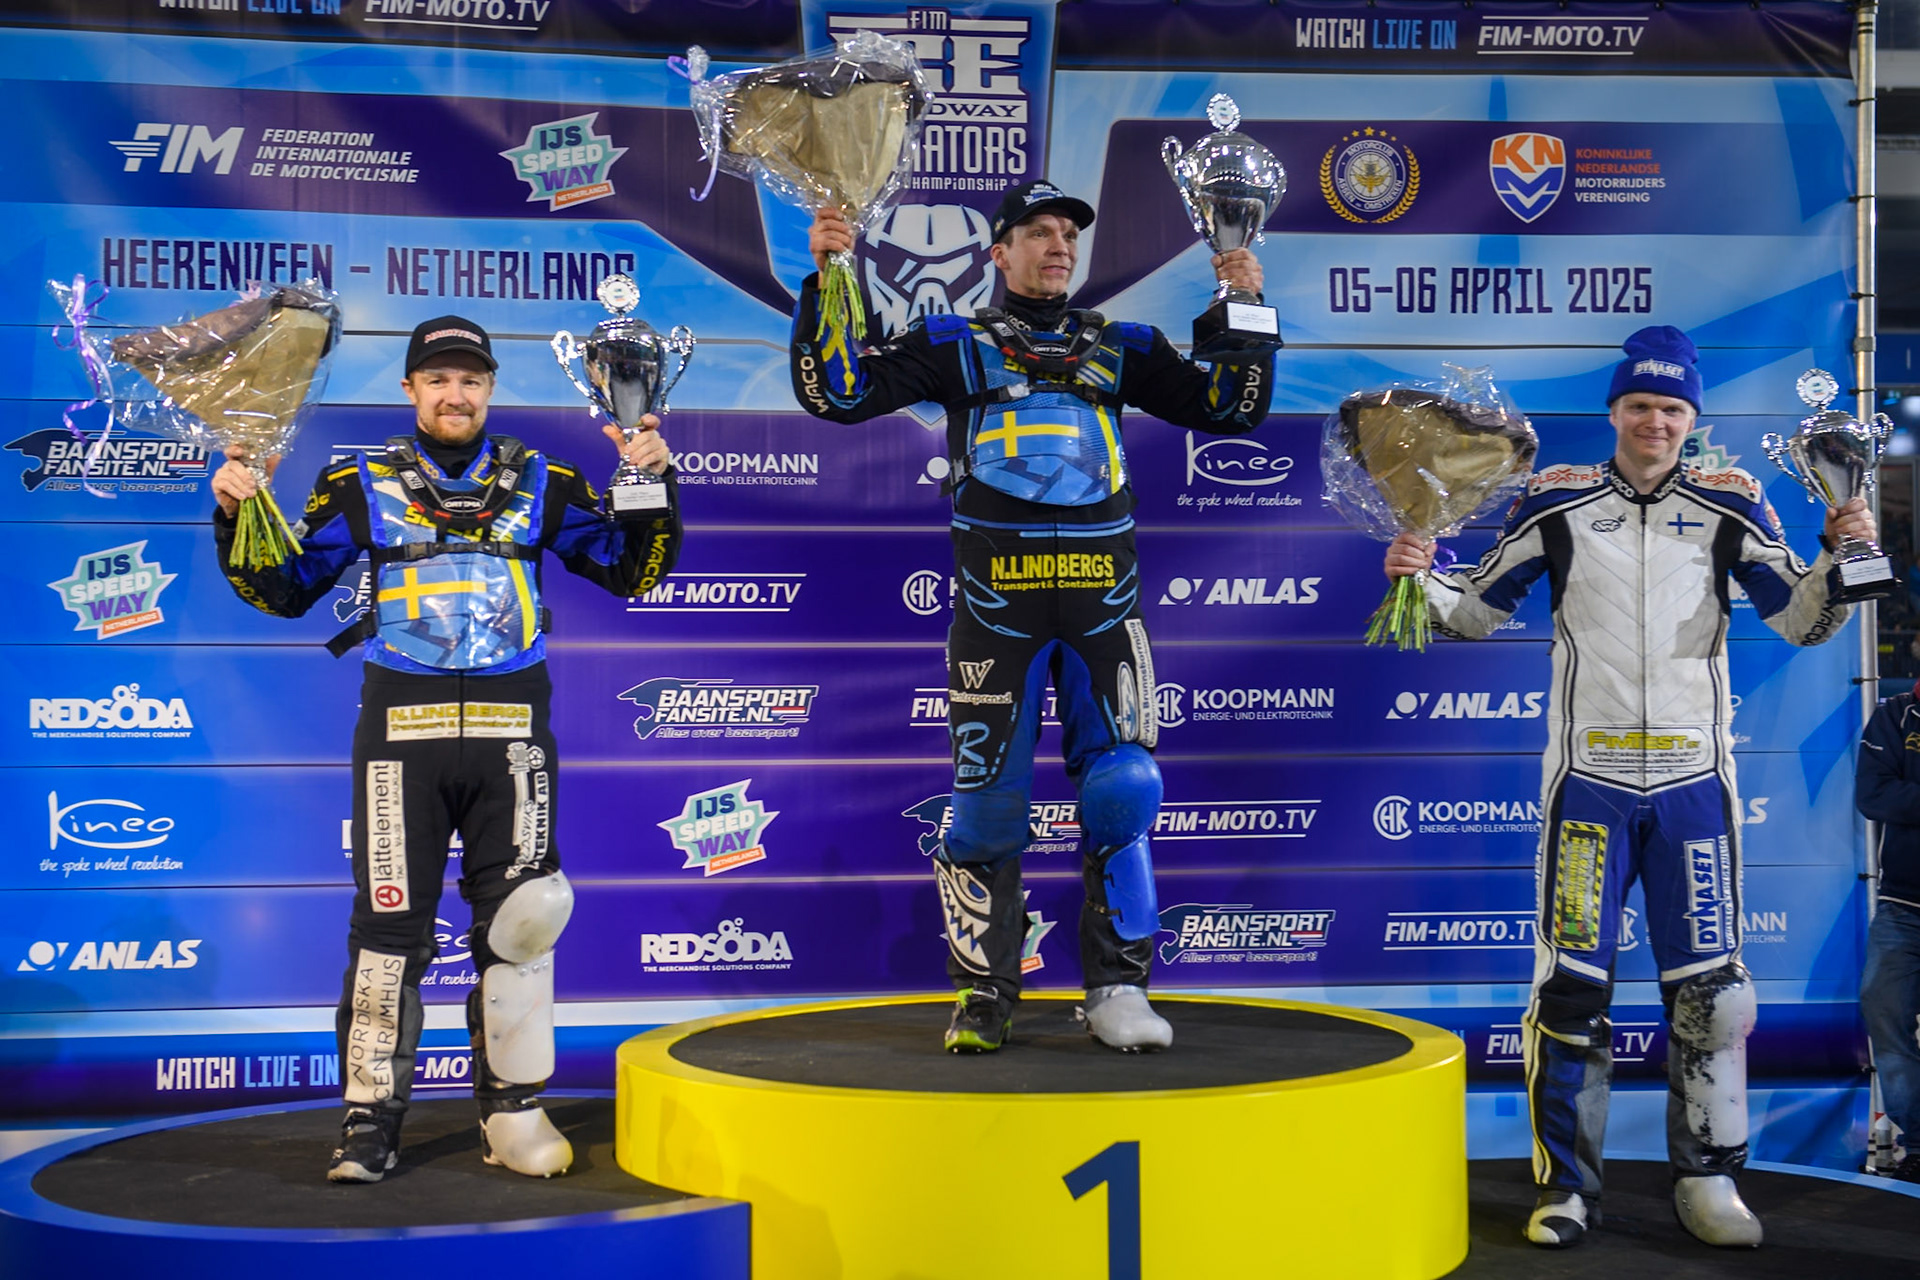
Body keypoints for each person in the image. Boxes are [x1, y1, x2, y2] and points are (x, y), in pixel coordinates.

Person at [1382, 325, 1872, 1248]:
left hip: (1694, 787)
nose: (1655, 421)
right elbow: (1480, 612)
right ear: (1614, 412)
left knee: (1715, 994)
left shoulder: (1733, 502)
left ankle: (1711, 1181)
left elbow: (1804, 623)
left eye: (1673, 408)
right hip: (1590, 790)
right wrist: (1424, 584)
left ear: (1693, 419)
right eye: (1640, 406)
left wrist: (1842, 555)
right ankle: (1567, 1188)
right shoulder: (1555, 501)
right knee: (1569, 989)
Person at [790, 180, 1274, 1053]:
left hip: (1104, 605)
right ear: (998, 253)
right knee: (982, 808)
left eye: (1067, 236)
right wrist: (832, 274)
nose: (1058, 247)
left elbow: (1230, 408)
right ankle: (984, 995)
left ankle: (1119, 988)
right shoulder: (952, 341)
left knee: (1125, 787)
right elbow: (838, 393)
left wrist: (1242, 305)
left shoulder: (1119, 344)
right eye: (1038, 233)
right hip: (996, 611)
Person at [211, 315, 681, 1182]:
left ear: (490, 390)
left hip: (511, 734)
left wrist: (654, 483)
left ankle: (513, 1112)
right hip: (401, 736)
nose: (454, 394)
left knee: (524, 925)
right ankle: (368, 1122)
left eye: (470, 380)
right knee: (389, 930)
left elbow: (629, 569)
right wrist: (237, 511)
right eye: (437, 379)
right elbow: (284, 589)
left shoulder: (546, 478)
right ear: (410, 389)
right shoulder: (358, 478)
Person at [1856, 681, 1920, 1183]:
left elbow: (1895, 793)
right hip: (1902, 907)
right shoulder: (1897, 714)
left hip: (1900, 908)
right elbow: (1874, 795)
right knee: (1886, 1018)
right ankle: (1917, 1143)